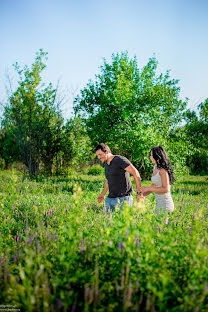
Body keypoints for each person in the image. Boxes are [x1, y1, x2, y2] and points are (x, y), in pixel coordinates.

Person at [95, 143, 142, 212]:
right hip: (110, 199)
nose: (99, 157)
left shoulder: (120, 160)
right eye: (97, 155)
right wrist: (103, 194)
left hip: (123, 199)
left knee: (124, 222)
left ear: (107, 152)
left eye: (100, 154)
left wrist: (139, 192)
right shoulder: (106, 164)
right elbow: (108, 180)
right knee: (108, 222)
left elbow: (136, 173)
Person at [140, 146, 175, 214]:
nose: (150, 157)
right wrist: (143, 194)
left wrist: (147, 188)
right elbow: (154, 185)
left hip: (166, 205)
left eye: (152, 155)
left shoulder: (162, 170)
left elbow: (166, 189)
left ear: (157, 156)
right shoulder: (155, 167)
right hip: (158, 204)